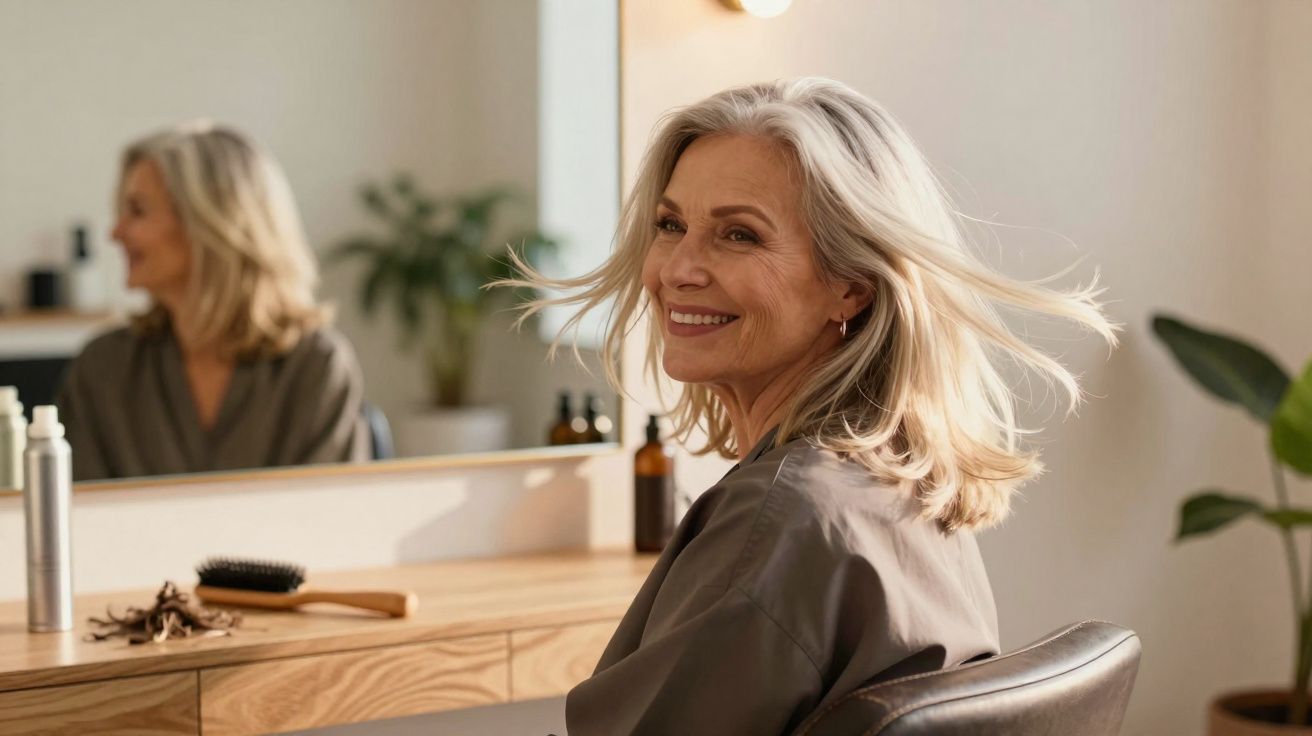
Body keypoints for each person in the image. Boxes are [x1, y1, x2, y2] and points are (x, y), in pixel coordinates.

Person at [505, 78, 1117, 735]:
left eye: (739, 235)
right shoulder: (900, 475)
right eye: (670, 224)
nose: (678, 267)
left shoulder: (780, 520)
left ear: (851, 287)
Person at [58, 122, 370, 481]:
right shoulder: (102, 371)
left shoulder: (315, 367)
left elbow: (333, 521)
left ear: (209, 224)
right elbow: (79, 523)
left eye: (138, 211)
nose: (115, 232)